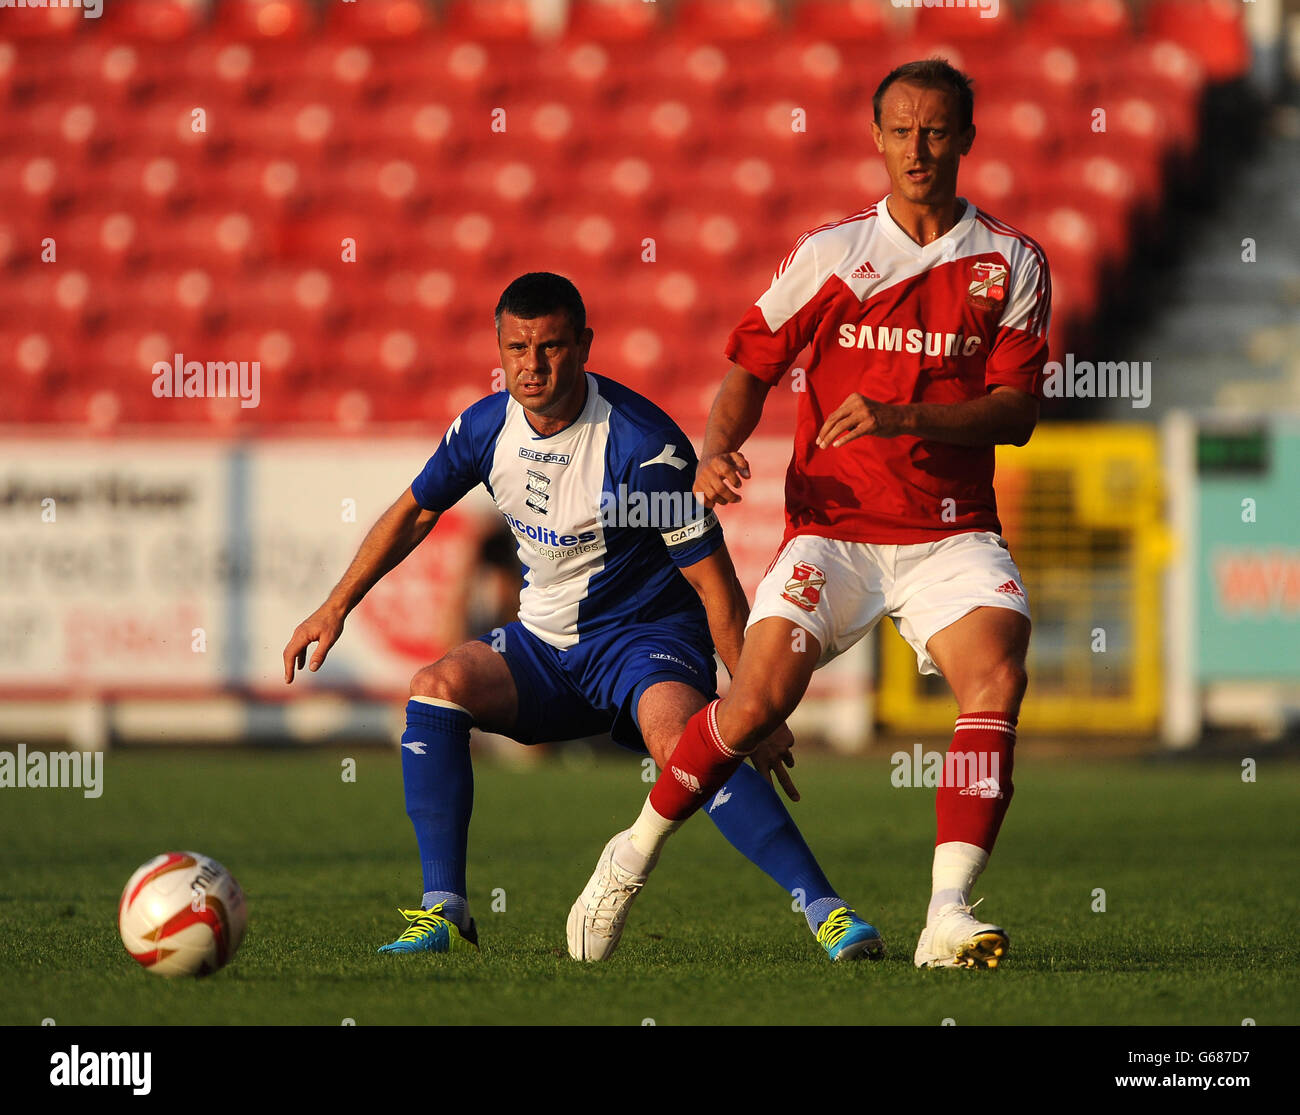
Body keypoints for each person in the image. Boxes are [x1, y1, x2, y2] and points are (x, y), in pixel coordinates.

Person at [571, 59, 1051, 970]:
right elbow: (749, 370)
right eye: (901, 130)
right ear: (875, 138)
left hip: (950, 532)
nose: (918, 147)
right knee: (750, 708)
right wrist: (715, 451)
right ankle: (630, 853)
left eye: (937, 129)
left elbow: (1018, 413)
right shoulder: (832, 255)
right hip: (830, 529)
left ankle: (947, 912)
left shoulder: (1011, 262)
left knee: (997, 680)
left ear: (967, 139)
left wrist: (903, 413)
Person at [282, 271, 884, 962]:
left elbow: (717, 593)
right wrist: (335, 606)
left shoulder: (643, 447)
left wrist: (758, 706)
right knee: (435, 687)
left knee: (685, 740)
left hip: (646, 643)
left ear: (585, 346)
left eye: (551, 347)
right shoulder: (484, 427)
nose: (532, 366)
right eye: (517, 348)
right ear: (499, 347)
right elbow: (416, 510)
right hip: (544, 645)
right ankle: (444, 912)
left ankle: (828, 911)